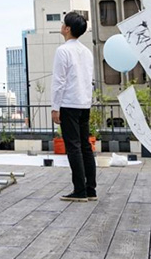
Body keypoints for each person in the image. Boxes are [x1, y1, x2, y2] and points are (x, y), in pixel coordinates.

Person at [51, 11, 96, 202]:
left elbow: (59, 81)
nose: (61, 26)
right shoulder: (87, 52)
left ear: (67, 29)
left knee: (74, 147)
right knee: (85, 146)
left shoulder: (63, 50)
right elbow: (89, 80)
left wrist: (55, 107)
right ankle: (90, 189)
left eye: (63, 24)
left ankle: (79, 190)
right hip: (84, 102)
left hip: (69, 103)